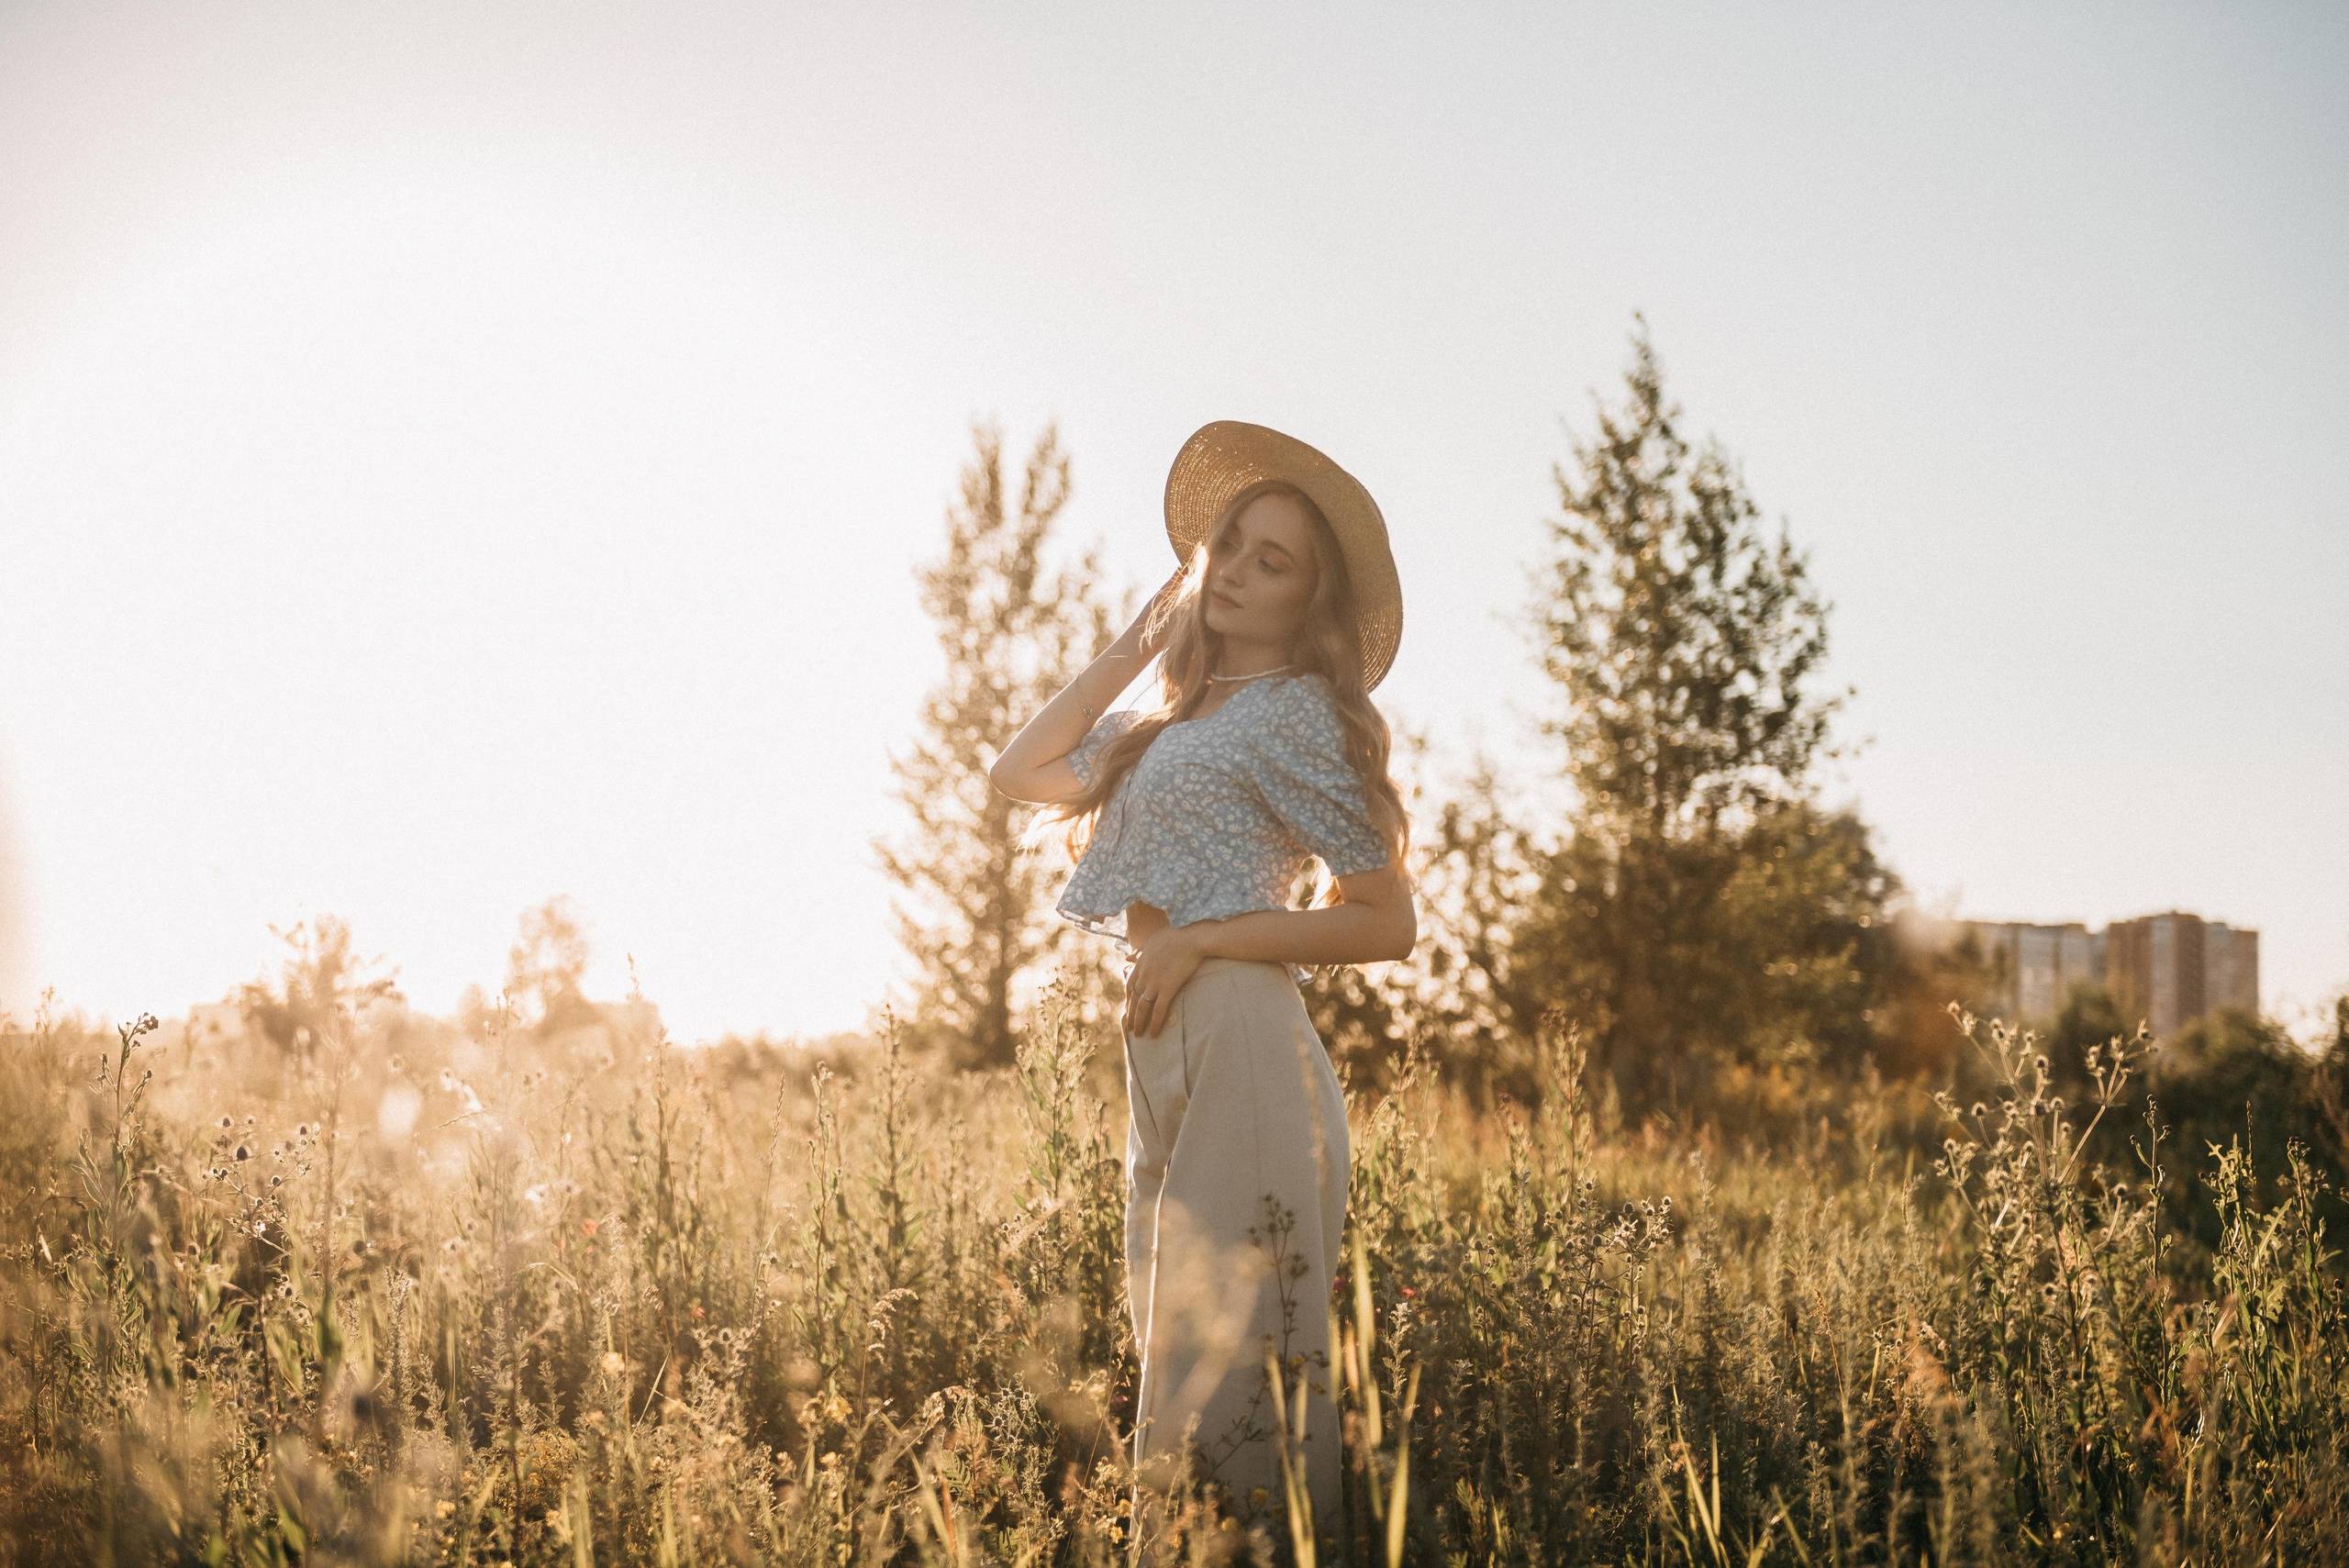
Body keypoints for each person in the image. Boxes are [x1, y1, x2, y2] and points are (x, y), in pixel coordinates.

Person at [989, 420, 1415, 1546]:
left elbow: (1386, 919)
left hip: (1240, 1031)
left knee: (1227, 1367)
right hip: (1163, 1037)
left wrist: (1203, 942)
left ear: (1309, 601)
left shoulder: (1297, 712)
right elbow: (1020, 769)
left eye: (1270, 561)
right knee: (1171, 1340)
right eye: (1227, 544)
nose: (1233, 571)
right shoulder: (1171, 715)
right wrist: (1141, 638)